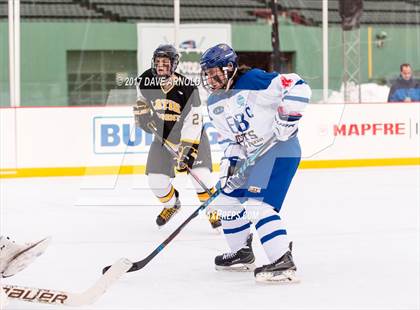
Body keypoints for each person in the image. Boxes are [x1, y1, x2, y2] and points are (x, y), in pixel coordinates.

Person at [200, 43, 311, 283]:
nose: (210, 78)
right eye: (207, 74)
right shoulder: (214, 103)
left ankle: (282, 259)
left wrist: (287, 118)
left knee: (256, 206)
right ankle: (242, 253)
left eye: (213, 71)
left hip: (280, 149)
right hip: (253, 157)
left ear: (229, 67)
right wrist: (230, 169)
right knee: (226, 199)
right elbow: (232, 141)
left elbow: (298, 84)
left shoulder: (253, 80)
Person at [134, 44, 221, 229]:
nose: (160, 66)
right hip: (163, 138)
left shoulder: (188, 89)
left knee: (201, 179)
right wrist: (142, 116)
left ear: (174, 64)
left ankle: (212, 209)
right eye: (158, 62)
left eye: (165, 62)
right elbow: (142, 99)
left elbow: (194, 123)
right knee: (156, 182)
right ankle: (172, 205)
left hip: (192, 138)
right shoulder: (145, 80)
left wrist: (187, 150)